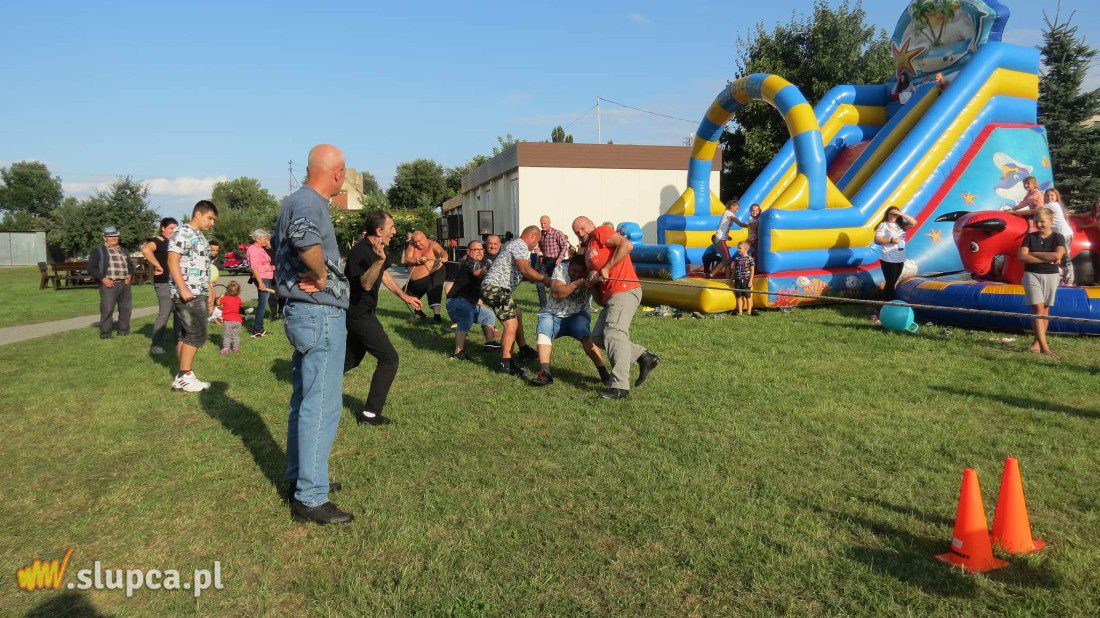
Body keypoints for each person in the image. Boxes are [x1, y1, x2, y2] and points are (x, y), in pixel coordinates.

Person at [274, 144, 353, 525]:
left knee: (305, 400)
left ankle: (302, 479)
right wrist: (321, 276)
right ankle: (310, 496)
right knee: (322, 403)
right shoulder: (309, 204)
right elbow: (306, 239)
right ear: (337, 173)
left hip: (305, 314)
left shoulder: (297, 200)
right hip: (319, 313)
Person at [345, 210, 423, 426]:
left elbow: (385, 275)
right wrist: (378, 261)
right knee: (389, 359)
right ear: (379, 230)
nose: (394, 231)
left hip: (365, 313)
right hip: (359, 315)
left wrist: (404, 296)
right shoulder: (361, 252)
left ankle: (313, 385)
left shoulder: (377, 249)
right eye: (391, 228)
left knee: (350, 360)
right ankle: (370, 415)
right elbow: (366, 284)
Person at [572, 216, 659, 400]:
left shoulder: (600, 233)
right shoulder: (587, 250)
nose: (580, 233)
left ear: (591, 224)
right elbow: (598, 299)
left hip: (625, 289)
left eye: (582, 227)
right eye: (576, 231)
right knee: (598, 336)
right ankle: (644, 357)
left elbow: (626, 245)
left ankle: (619, 387)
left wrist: (606, 268)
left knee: (614, 333)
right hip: (611, 297)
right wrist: (591, 284)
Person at [531, 254, 611, 386]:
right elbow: (557, 294)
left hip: (577, 315)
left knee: (587, 338)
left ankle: (604, 374)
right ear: (569, 266)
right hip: (553, 313)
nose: (577, 274)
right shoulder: (561, 268)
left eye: (581, 272)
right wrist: (579, 282)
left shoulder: (591, 274)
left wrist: (594, 285)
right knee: (543, 331)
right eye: (574, 271)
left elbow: (600, 302)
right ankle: (545, 373)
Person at [480, 226, 546, 376]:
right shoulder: (520, 245)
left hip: (493, 287)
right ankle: (506, 364)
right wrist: (546, 280)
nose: (536, 246)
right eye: (537, 241)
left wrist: (533, 277)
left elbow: (524, 272)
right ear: (532, 236)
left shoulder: (515, 245)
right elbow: (525, 269)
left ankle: (523, 350)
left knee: (517, 312)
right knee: (511, 324)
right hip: (496, 288)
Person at [167, 201, 218, 392]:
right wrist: (183, 289)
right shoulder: (182, 233)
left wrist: (209, 291)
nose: (212, 223)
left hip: (199, 291)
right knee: (197, 333)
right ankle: (185, 377)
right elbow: (172, 261)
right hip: (188, 293)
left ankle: (182, 375)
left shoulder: (200, 236)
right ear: (198, 213)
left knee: (186, 333)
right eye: (210, 218)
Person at [1019, 208, 1066, 359]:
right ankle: (1045, 348)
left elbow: (1058, 255)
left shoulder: (1058, 237)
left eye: (1042, 221)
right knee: (1038, 307)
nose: (1039, 224)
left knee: (1045, 309)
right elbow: (1022, 256)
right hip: (1032, 275)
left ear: (1051, 221)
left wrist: (1033, 253)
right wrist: (1048, 258)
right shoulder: (1029, 237)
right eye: (1037, 221)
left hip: (1051, 276)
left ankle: (1037, 343)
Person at [446, 240, 502, 359]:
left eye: (481, 249)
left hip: (470, 302)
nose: (480, 252)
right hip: (456, 301)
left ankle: (490, 343)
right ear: (468, 252)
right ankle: (458, 352)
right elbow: (477, 273)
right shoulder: (469, 263)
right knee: (467, 315)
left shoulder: (479, 263)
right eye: (476, 250)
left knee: (488, 315)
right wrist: (487, 268)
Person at [87, 226, 135, 340]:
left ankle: (123, 332)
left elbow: (131, 266)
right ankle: (106, 334)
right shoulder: (99, 250)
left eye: (115, 236)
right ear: (105, 238)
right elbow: (91, 268)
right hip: (109, 284)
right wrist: (103, 279)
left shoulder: (123, 250)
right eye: (111, 237)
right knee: (107, 309)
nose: (114, 238)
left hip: (124, 284)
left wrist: (130, 275)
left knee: (126, 309)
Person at [140, 217, 179, 354]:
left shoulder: (174, 243)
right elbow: (146, 251)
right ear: (163, 228)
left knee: (179, 313)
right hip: (163, 282)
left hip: (177, 283)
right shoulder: (158, 241)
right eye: (171, 228)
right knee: (165, 312)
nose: (173, 231)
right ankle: (156, 345)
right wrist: (157, 266)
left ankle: (178, 343)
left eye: (175, 229)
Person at [403, 230, 447, 322]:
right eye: (415, 242)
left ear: (425, 238)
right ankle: (419, 313)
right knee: (405, 292)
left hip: (434, 272)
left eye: (419, 241)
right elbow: (407, 259)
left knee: (434, 291)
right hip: (416, 279)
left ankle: (437, 317)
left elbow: (443, 253)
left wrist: (444, 258)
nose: (417, 243)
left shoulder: (432, 244)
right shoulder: (412, 245)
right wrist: (417, 260)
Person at [874, 206, 917, 300]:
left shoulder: (900, 225)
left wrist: (901, 213)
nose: (893, 216)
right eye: (891, 214)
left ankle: (886, 300)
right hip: (888, 258)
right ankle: (888, 301)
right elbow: (877, 240)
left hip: (899, 258)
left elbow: (913, 223)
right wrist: (892, 240)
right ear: (887, 214)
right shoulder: (883, 225)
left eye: (895, 214)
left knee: (893, 281)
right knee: (890, 281)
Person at [535, 215, 571, 309]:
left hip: (556, 262)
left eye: (545, 223)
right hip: (545, 261)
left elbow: (565, 246)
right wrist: (539, 249)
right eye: (541, 223)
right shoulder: (541, 234)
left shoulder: (556, 233)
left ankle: (558, 304)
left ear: (549, 223)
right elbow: (541, 247)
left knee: (556, 284)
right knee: (539, 283)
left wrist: (560, 258)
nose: (543, 225)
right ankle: (544, 306)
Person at [246, 229, 276, 337]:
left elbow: (262, 263)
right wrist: (260, 283)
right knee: (262, 305)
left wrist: (270, 267)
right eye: (265, 238)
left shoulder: (260, 249)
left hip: (266, 277)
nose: (266, 240)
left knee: (263, 304)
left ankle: (260, 328)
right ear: (258, 238)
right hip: (262, 279)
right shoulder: (253, 249)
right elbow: (254, 267)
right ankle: (257, 330)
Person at [730, 241, 756, 316]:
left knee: (748, 297)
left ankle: (749, 312)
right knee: (739, 297)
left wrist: (750, 281)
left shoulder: (749, 259)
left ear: (746, 249)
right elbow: (735, 269)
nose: (738, 249)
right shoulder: (737, 258)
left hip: (746, 280)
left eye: (739, 248)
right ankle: (740, 312)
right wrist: (732, 278)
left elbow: (752, 270)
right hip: (738, 280)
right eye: (738, 248)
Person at [217, 281, 244, 354]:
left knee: (227, 336)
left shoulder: (225, 298)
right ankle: (236, 348)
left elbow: (218, 303)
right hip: (238, 321)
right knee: (236, 336)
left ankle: (226, 348)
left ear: (227, 290)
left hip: (228, 320)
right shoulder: (238, 300)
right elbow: (240, 305)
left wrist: (222, 296)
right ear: (238, 292)